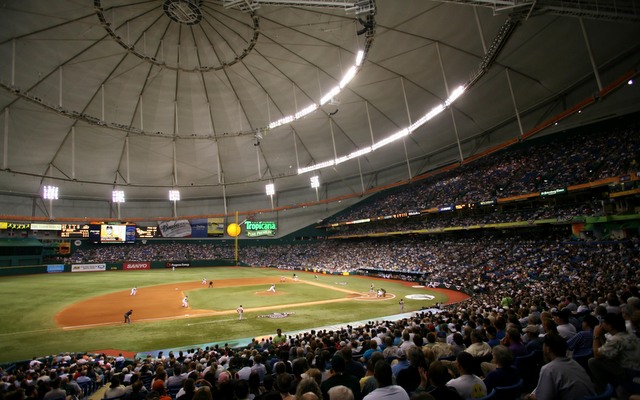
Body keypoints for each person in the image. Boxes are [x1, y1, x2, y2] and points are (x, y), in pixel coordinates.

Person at [524, 332, 595, 400]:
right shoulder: (574, 363)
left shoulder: (548, 369)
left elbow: (542, 398)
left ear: (547, 349)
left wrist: (529, 397)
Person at [589, 312, 640, 394]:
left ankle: (602, 391)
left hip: (629, 372)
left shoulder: (616, 339)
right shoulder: (628, 334)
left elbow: (597, 355)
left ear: (610, 326)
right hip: (633, 367)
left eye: (604, 323)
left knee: (593, 361)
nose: (601, 325)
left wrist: (596, 336)